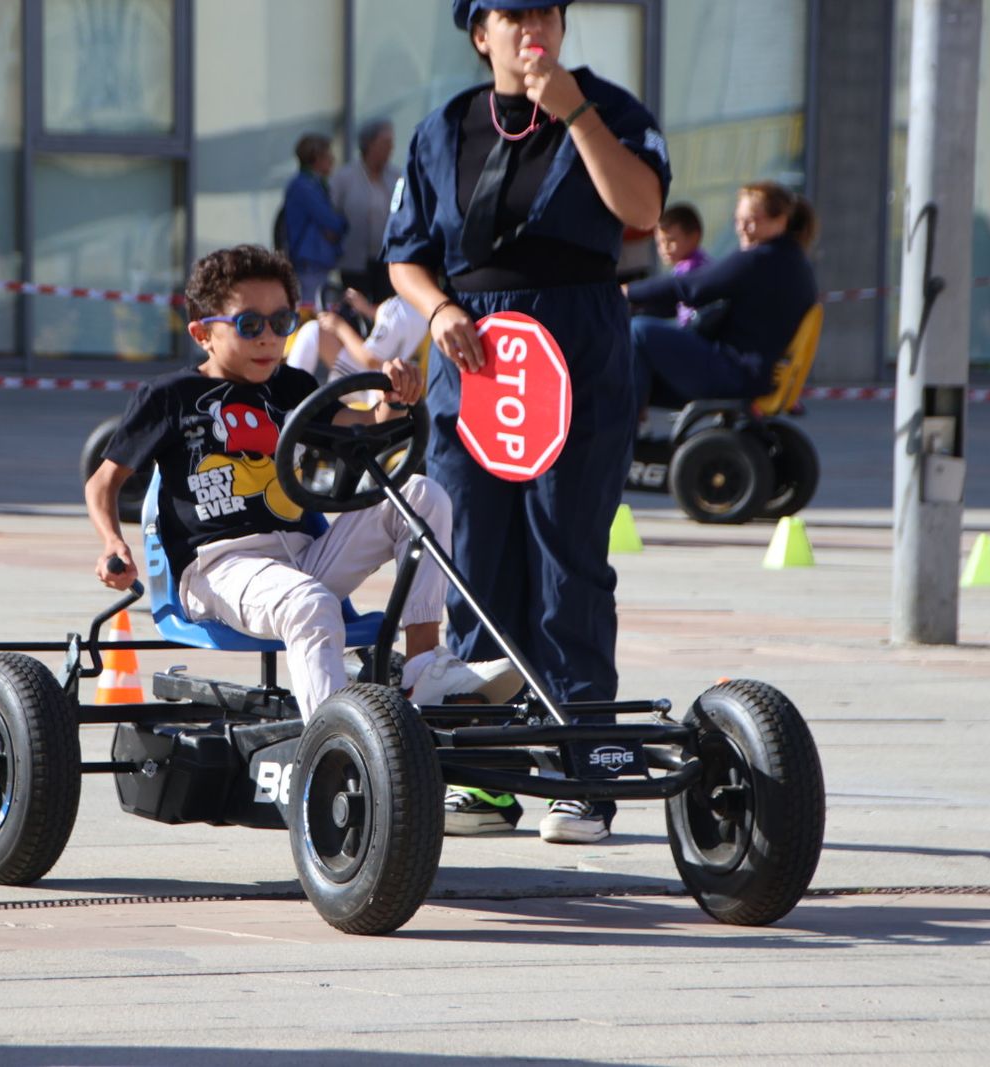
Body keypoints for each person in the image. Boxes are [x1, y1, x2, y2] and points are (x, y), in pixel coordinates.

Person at [384, 1, 669, 843]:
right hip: (475, 352)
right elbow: (406, 253)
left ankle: (583, 770)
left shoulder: (613, 110)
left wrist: (572, 108)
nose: (530, 24)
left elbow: (643, 211)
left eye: (545, 9)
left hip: (575, 339)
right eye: (511, 12)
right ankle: (487, 770)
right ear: (482, 34)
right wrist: (436, 311)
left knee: (568, 559)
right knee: (472, 557)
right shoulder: (445, 127)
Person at [85, 244, 522, 720]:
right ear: (202, 333)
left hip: (301, 558)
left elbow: (361, 428)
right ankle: (331, 743)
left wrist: (395, 398)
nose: (268, 338)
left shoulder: (292, 386)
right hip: (217, 568)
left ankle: (422, 668)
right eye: (249, 325)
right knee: (310, 603)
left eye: (281, 322)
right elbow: (103, 482)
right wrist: (113, 542)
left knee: (421, 494)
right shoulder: (169, 397)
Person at [626, 182, 818, 412]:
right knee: (646, 354)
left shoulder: (759, 260)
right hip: (754, 374)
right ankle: (632, 431)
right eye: (738, 220)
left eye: (752, 220)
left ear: (780, 220)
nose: (742, 228)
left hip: (736, 373)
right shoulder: (795, 261)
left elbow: (692, 288)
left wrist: (628, 292)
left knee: (639, 331)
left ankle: (624, 438)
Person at [286, 288, 429, 383]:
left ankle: (286, 403)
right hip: (410, 385)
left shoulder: (398, 309)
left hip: (380, 388)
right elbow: (395, 320)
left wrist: (339, 326)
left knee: (312, 331)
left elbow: (369, 359)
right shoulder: (429, 305)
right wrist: (366, 309)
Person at [329, 119, 401, 303]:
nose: (391, 148)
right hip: (354, 259)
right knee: (355, 306)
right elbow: (331, 213)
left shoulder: (396, 176)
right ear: (370, 145)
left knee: (385, 306)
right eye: (386, 143)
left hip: (387, 259)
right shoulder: (345, 177)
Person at [282, 134, 348, 309]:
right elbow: (329, 220)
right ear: (316, 158)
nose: (332, 159)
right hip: (309, 263)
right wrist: (341, 224)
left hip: (318, 262)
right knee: (313, 311)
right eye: (328, 155)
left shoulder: (317, 184)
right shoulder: (304, 186)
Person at [651, 202, 710, 326]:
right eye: (660, 243)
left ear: (694, 237)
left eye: (671, 240)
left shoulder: (690, 268)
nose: (665, 248)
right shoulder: (703, 261)